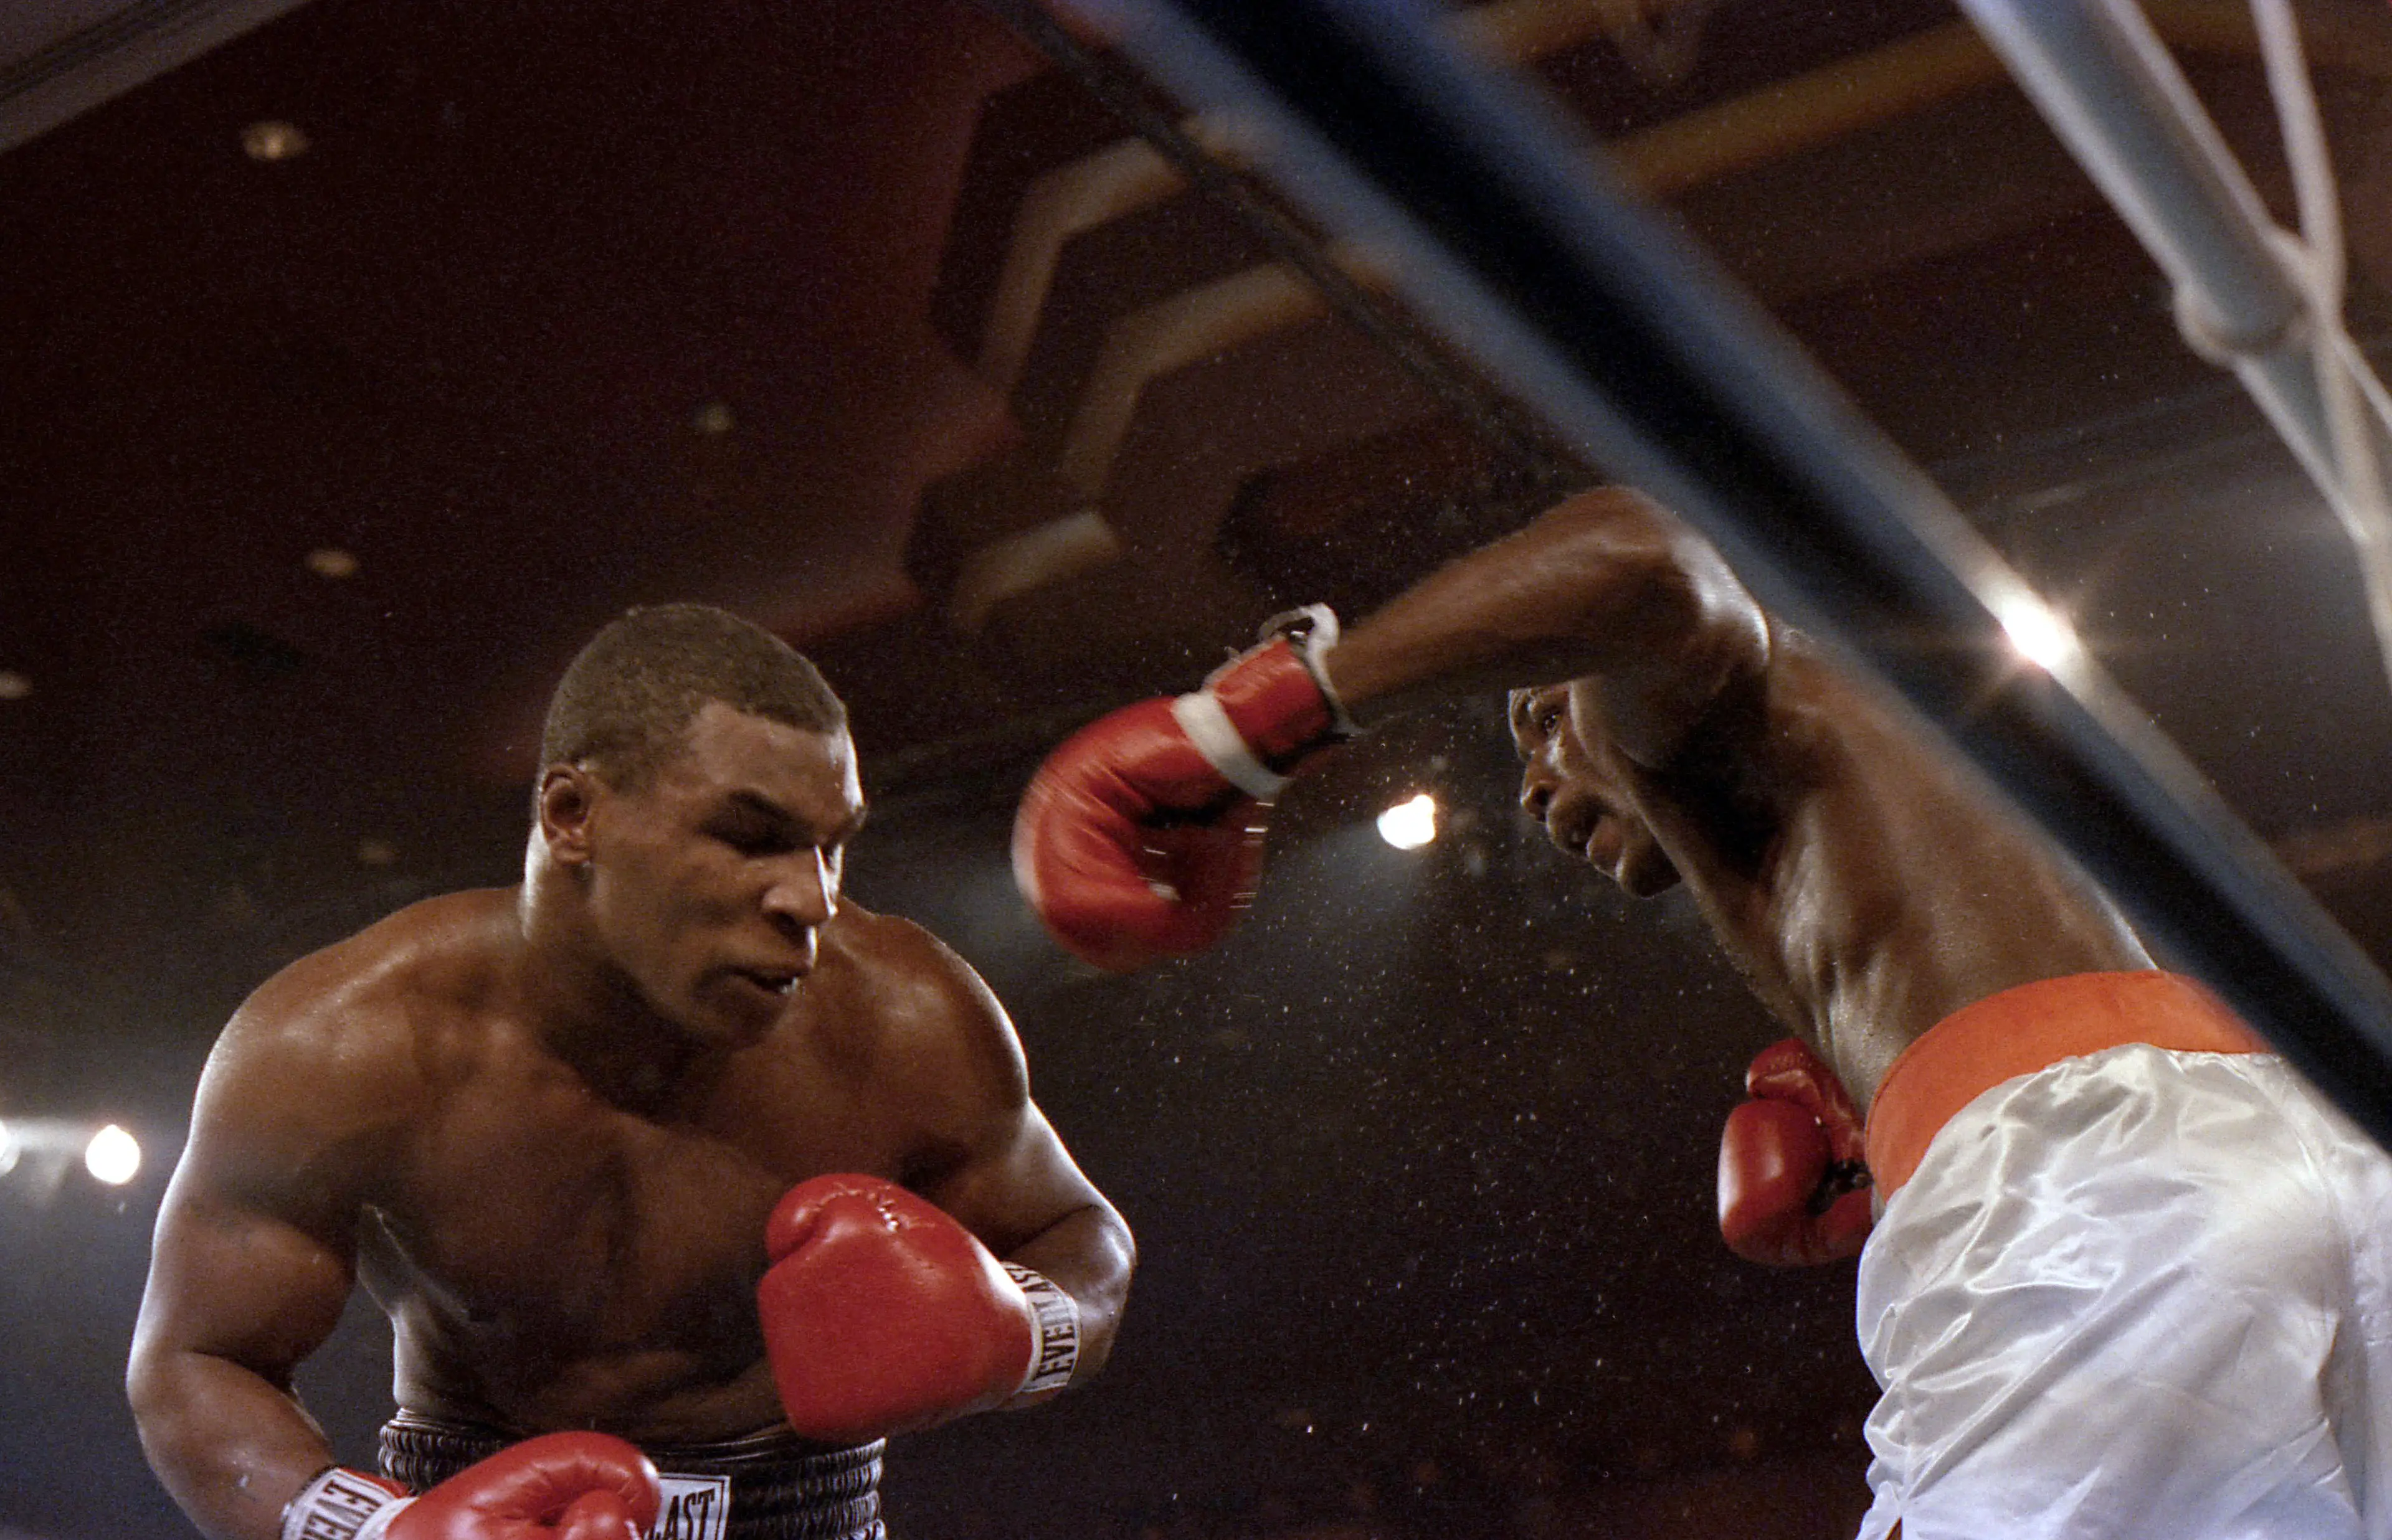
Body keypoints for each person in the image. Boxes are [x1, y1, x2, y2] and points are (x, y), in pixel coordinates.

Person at [1011, 484, 2392, 1539]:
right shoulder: (1928, 781)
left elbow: (1641, 558)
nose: (1541, 785)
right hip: (2311, 1144)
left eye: (1538, 721)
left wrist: (1244, 726)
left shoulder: (1716, 696)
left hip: (2090, 1196)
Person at [130, 603, 1134, 1540]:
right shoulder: (346, 1047)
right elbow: (199, 1359)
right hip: (482, 1498)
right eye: (752, 837)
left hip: (807, 1510)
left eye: (833, 848)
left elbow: (1080, 1239)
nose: (811, 897)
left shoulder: (904, 1020)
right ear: (573, 814)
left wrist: (1019, 1330)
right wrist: (373, 1532)